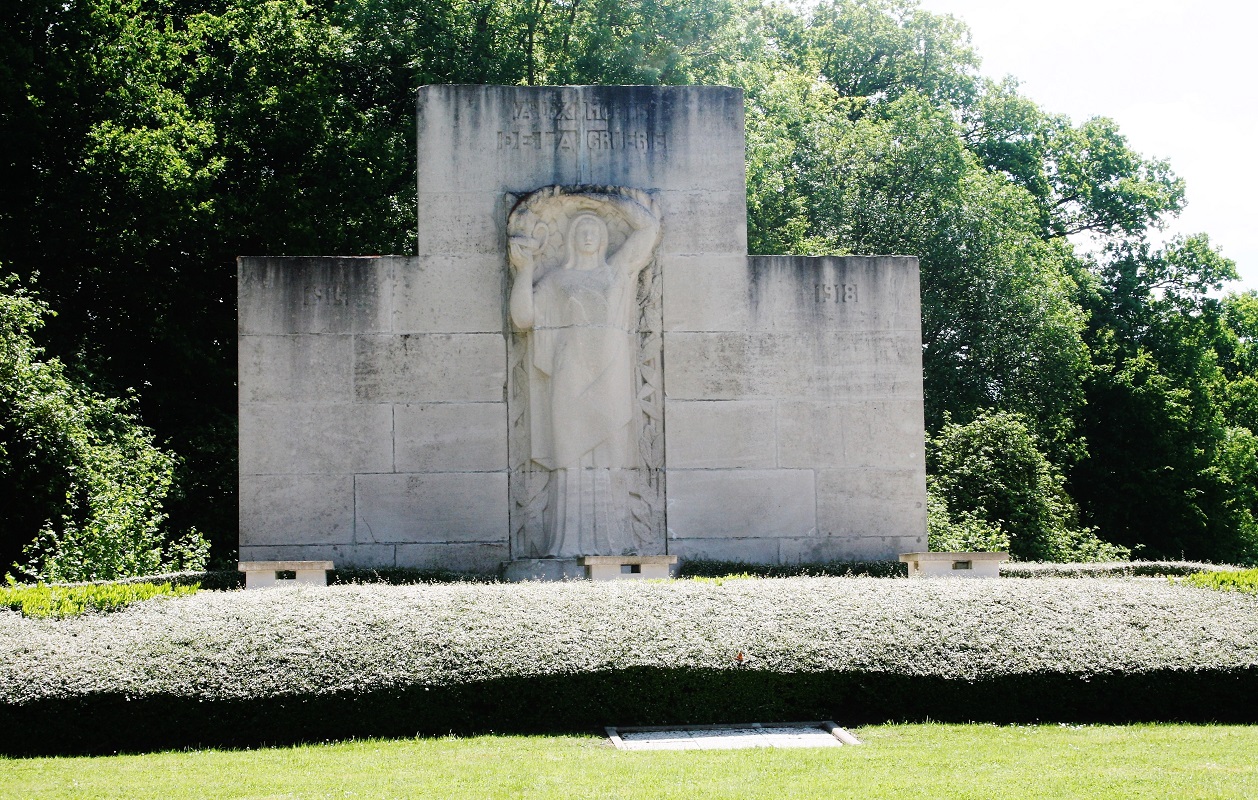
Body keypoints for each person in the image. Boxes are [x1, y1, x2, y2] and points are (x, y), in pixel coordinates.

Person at [509, 190, 661, 556]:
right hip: (569, 374)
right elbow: (523, 319)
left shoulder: (617, 271)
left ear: (605, 238)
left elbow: (648, 230)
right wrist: (524, 270)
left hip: (609, 374)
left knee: (609, 455)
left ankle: (615, 540)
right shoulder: (556, 281)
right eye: (581, 229)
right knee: (570, 458)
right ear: (572, 240)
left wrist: (603, 201)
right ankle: (566, 543)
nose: (589, 234)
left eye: (595, 229)